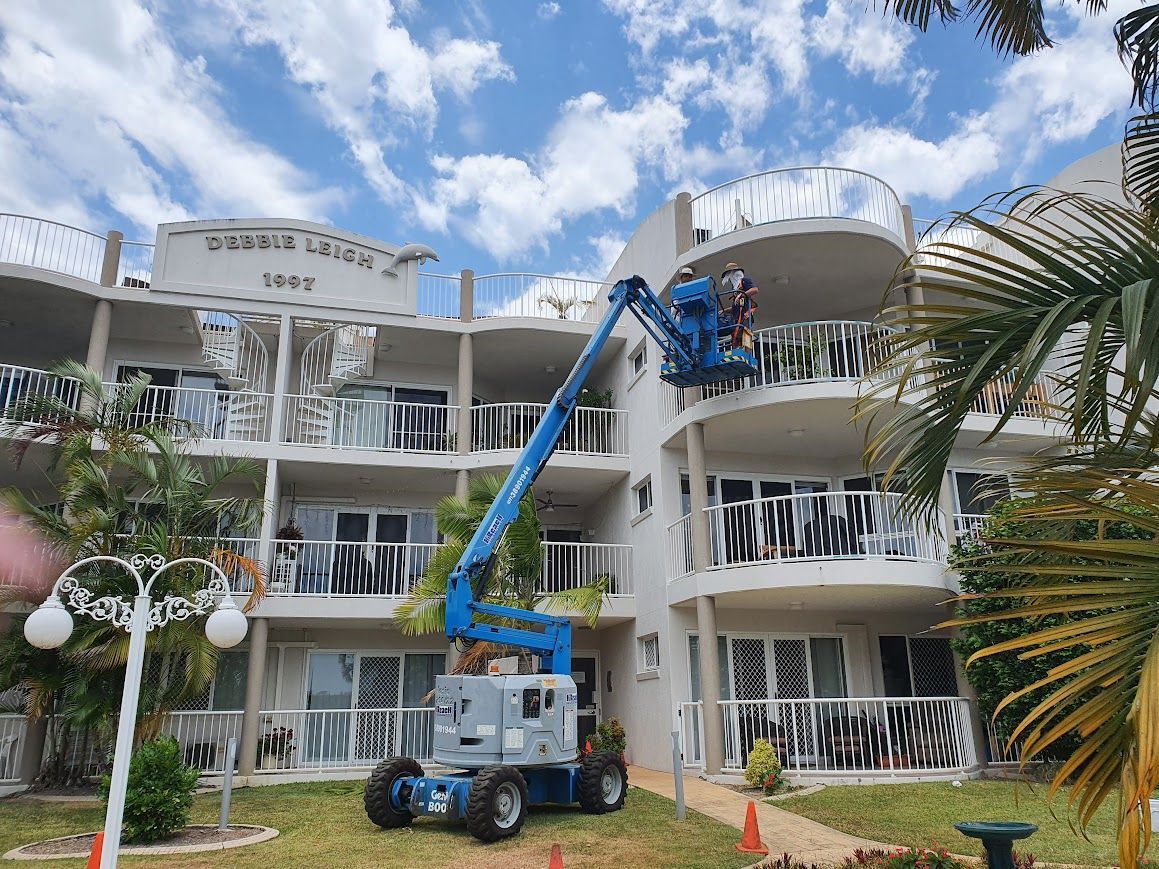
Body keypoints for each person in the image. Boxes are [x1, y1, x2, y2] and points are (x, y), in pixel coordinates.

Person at [721, 262, 758, 349]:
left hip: (745, 317)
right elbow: (736, 307)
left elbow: (755, 290)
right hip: (737, 318)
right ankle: (737, 354)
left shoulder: (744, 281)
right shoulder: (735, 289)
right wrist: (724, 311)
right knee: (736, 338)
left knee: (745, 336)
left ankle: (746, 354)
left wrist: (742, 294)